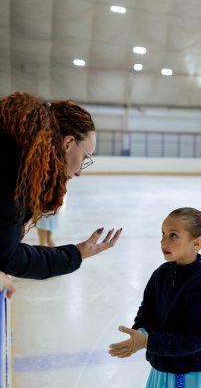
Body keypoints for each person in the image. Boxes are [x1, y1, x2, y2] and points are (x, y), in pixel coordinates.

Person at [109, 207, 201, 388]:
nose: (163, 241)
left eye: (173, 235)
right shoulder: (160, 274)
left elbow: (192, 341)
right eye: (162, 233)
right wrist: (138, 335)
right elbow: (146, 313)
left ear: (197, 242)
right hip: (162, 373)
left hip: (189, 377)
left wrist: (149, 342)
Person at [0, 92, 122, 279]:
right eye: (85, 158)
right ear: (68, 143)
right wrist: (76, 253)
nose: (80, 171)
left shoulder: (17, 151)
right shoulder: (14, 174)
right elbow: (7, 257)